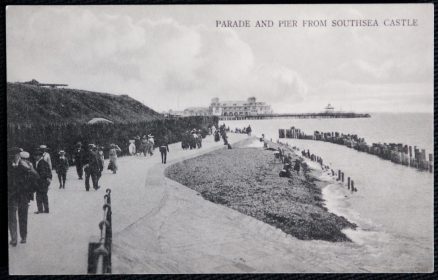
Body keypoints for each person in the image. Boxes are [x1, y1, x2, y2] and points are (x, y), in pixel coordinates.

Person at [8, 148, 37, 246]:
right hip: (11, 195)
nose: (15, 157)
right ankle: (14, 239)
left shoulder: (26, 164)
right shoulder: (9, 166)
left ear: (19, 155)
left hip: (23, 194)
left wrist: (30, 169)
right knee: (11, 217)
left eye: (16, 155)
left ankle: (23, 236)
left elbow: (35, 177)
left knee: (23, 215)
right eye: (12, 155)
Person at [34, 150, 52, 214]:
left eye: (36, 156)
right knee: (44, 196)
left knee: (38, 196)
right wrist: (49, 180)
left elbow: (42, 173)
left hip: (41, 182)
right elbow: (49, 171)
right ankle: (46, 209)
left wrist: (37, 180)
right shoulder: (44, 162)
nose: (35, 157)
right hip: (45, 182)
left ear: (39, 156)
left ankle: (40, 210)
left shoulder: (40, 163)